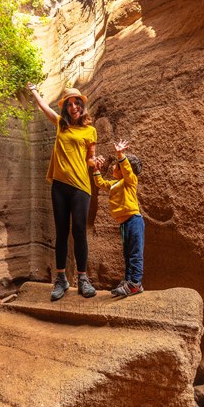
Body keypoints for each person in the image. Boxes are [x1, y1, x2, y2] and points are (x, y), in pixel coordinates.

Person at [27, 83, 97, 301]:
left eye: (77, 103)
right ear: (65, 108)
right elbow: (45, 108)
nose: (74, 106)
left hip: (81, 186)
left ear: (82, 107)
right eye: (70, 104)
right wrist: (34, 90)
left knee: (78, 230)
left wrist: (97, 163)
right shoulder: (61, 124)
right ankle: (61, 280)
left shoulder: (90, 130)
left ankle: (83, 279)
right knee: (61, 232)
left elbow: (90, 159)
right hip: (60, 185)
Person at [93, 140, 144, 296]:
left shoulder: (130, 181)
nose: (114, 167)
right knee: (128, 254)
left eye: (117, 165)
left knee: (135, 254)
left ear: (123, 168)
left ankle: (135, 283)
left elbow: (128, 171)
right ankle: (129, 281)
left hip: (134, 220)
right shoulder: (116, 184)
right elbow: (100, 183)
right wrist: (96, 170)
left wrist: (120, 154)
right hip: (124, 224)